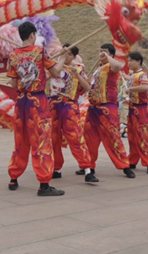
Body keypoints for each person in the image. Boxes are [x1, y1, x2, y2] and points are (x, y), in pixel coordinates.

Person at [6, 21, 66, 196]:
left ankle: (13, 177)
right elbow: (55, 73)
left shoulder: (13, 55)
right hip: (38, 102)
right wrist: (62, 59)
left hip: (21, 102)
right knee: (41, 140)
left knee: (20, 140)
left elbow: (14, 83)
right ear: (32, 35)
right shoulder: (39, 51)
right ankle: (44, 184)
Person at [85, 43, 135, 178]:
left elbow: (118, 66)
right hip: (93, 109)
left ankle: (125, 165)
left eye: (105, 51)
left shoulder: (112, 67)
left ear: (111, 55)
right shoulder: (98, 69)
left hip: (108, 107)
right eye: (100, 51)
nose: (101, 53)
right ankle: (89, 166)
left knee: (113, 138)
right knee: (90, 139)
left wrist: (107, 56)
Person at [49, 46, 98, 183]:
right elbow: (48, 75)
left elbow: (88, 88)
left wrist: (77, 74)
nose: (67, 56)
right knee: (53, 138)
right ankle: (56, 168)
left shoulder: (78, 69)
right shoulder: (54, 66)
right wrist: (59, 56)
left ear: (75, 56)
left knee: (75, 137)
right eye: (65, 53)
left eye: (70, 54)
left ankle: (87, 169)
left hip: (69, 105)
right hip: (53, 105)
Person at [124, 52, 148, 174]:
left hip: (141, 109)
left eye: (132, 60)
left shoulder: (142, 75)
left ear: (139, 61)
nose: (129, 63)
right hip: (133, 109)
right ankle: (132, 160)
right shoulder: (133, 74)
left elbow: (145, 87)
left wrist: (131, 89)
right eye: (129, 60)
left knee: (144, 136)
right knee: (132, 136)